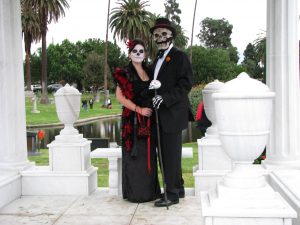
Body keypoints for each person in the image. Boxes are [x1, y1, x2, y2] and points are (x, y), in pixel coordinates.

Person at [150, 18, 194, 207]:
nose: (160, 38)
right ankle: (179, 188)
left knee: (170, 155)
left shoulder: (180, 56)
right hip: (160, 115)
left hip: (173, 114)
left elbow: (185, 84)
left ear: (172, 36)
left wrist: (165, 98)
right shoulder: (156, 59)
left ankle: (171, 194)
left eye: (164, 34)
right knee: (167, 155)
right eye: (157, 34)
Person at [113, 39, 161, 203]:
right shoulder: (125, 73)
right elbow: (119, 97)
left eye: (141, 51)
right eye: (135, 51)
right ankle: (137, 193)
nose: (138, 54)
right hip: (133, 121)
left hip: (149, 120)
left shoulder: (150, 71)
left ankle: (150, 192)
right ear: (129, 54)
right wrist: (139, 109)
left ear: (145, 54)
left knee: (149, 154)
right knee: (136, 156)